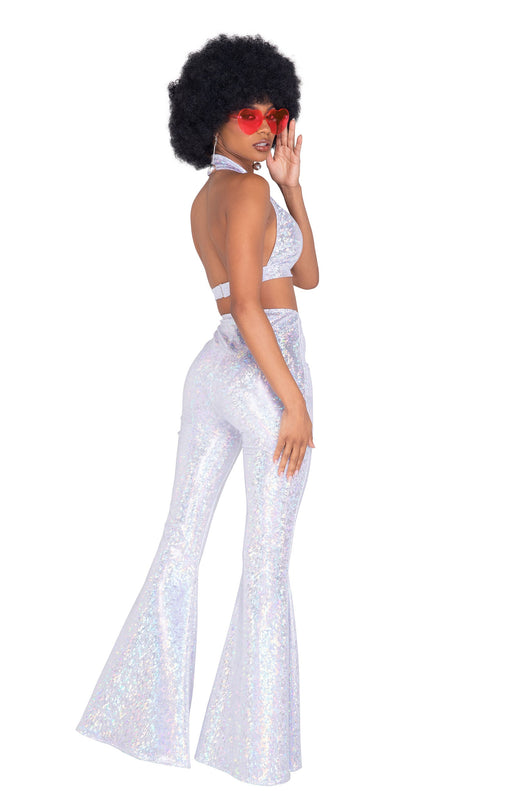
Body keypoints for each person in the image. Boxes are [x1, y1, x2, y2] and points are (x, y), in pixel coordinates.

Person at [75, 33, 319, 786]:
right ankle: (256, 757)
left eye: (276, 115)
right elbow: (252, 304)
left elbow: (308, 273)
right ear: (211, 117)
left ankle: (138, 724)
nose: (267, 128)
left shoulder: (213, 196)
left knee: (179, 544)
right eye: (249, 115)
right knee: (265, 567)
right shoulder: (246, 194)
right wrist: (292, 402)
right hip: (266, 366)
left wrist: (294, 187)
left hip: (212, 370)